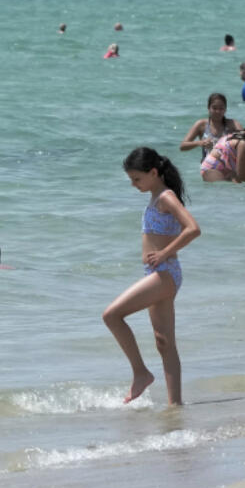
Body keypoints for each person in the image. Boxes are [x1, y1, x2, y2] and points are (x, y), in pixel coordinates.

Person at [103, 148, 200, 405]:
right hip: (157, 273)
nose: (134, 185)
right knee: (164, 342)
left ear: (153, 172)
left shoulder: (166, 197)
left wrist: (164, 253)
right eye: (131, 180)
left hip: (165, 273)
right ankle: (175, 405)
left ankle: (140, 373)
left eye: (137, 179)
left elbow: (193, 229)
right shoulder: (156, 196)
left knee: (111, 315)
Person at [180, 93, 242, 160]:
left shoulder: (232, 124)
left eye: (221, 108)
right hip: (207, 166)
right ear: (208, 108)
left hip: (227, 166)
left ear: (225, 109)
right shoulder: (201, 125)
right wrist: (200, 143)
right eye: (214, 108)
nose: (218, 111)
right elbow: (183, 146)